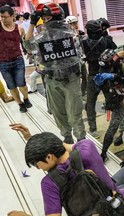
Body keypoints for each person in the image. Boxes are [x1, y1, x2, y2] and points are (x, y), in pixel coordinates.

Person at [8, 123, 124, 215]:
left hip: (101, 207)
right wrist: (38, 142)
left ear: (48, 157)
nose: (38, 168)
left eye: (35, 163)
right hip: (117, 200)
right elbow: (62, 147)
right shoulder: (86, 148)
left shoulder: (49, 183)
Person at [25, 3, 86, 143]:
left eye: (49, 18)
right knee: (59, 113)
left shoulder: (71, 35)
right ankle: (67, 139)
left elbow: (79, 56)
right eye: (44, 19)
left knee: (74, 113)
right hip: (52, 80)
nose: (47, 22)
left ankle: (82, 143)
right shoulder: (42, 37)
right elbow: (28, 45)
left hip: (71, 79)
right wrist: (32, 24)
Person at [95, 49, 124, 162]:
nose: (105, 71)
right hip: (117, 103)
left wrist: (116, 77)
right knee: (113, 127)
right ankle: (103, 153)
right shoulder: (103, 71)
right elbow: (100, 87)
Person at [81, 18, 117, 138]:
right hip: (106, 75)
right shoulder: (106, 40)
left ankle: (93, 128)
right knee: (113, 101)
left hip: (93, 75)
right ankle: (116, 125)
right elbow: (115, 52)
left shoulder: (84, 43)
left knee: (90, 103)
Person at [0, 5, 32, 113]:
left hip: (18, 60)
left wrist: (28, 51)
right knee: (11, 86)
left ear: (12, 16)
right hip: (3, 62)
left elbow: (23, 42)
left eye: (5, 17)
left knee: (21, 83)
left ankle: (26, 98)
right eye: (1, 17)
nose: (3, 19)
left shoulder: (19, 28)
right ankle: (20, 104)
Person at [65, 15, 87, 97]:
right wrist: (74, 38)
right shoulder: (66, 34)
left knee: (84, 76)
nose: (75, 25)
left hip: (80, 58)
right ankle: (76, 93)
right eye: (73, 23)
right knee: (76, 77)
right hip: (72, 60)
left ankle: (83, 91)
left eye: (75, 23)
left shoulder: (78, 32)